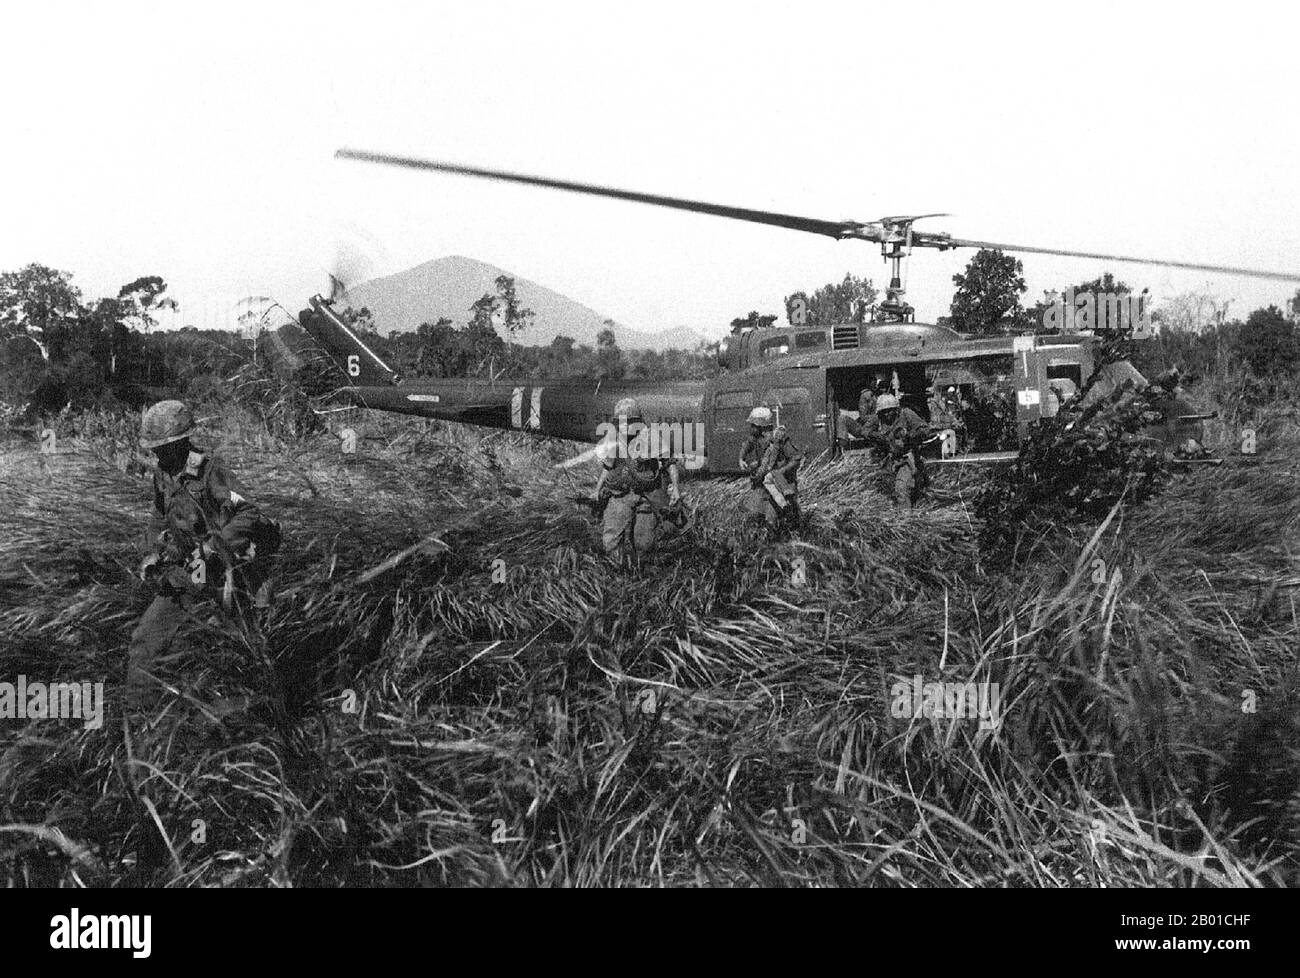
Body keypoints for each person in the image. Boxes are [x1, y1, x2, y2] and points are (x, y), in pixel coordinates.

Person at [127, 400, 279, 713]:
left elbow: (249, 511)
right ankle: (143, 722)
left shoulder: (212, 471)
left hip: (228, 572)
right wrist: (151, 552)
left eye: (162, 448)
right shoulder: (163, 475)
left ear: (180, 443)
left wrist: (215, 545)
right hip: (190, 570)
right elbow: (158, 514)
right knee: (145, 641)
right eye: (154, 449)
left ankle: (268, 713)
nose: (157, 455)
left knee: (249, 649)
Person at [595, 397, 684, 562]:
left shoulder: (650, 437)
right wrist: (596, 490)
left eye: (627, 422)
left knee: (644, 543)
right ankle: (616, 573)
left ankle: (641, 574)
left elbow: (670, 463)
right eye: (620, 423)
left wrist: (676, 490)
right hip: (620, 495)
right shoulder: (614, 438)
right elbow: (607, 468)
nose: (623, 427)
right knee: (610, 540)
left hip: (646, 496)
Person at [739, 406, 804, 530]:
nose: (750, 428)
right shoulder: (756, 439)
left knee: (773, 519)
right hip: (764, 485)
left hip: (782, 485)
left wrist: (779, 472)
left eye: (753, 425)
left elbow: (796, 459)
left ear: (760, 426)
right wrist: (741, 459)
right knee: (751, 514)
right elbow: (746, 446)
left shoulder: (779, 439)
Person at [869, 393, 934, 509]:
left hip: (906, 459)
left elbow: (925, 429)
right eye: (884, 412)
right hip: (889, 461)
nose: (887, 414)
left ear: (896, 409)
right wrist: (877, 436)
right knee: (886, 493)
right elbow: (864, 430)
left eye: (890, 410)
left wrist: (911, 435)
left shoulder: (906, 414)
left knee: (901, 488)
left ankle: (906, 521)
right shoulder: (879, 420)